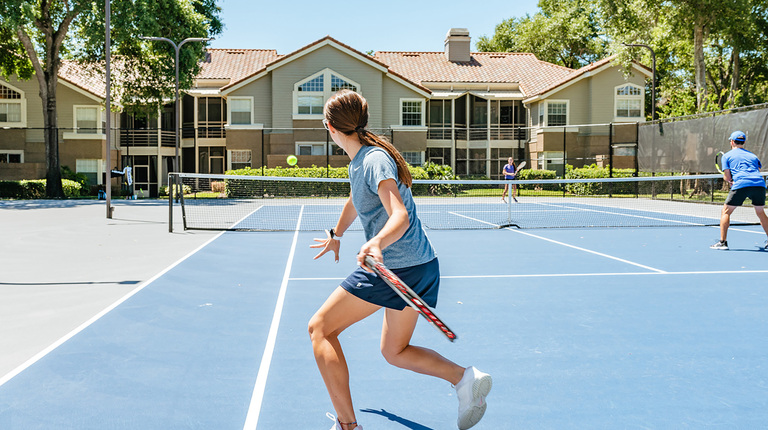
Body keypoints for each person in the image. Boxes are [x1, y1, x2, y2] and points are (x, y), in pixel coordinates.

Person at [309, 89, 492, 430]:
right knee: (394, 351)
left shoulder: (374, 159)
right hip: (418, 266)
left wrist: (376, 242)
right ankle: (465, 379)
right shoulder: (361, 161)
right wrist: (337, 235)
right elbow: (356, 199)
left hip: (397, 267)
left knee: (319, 328)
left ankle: (348, 427)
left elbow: (400, 215)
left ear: (330, 128)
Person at [710, 130, 768, 250]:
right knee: (760, 212)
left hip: (741, 184)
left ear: (732, 142)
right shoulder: (753, 156)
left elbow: (727, 177)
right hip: (759, 184)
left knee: (725, 211)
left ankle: (722, 242)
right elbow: (756, 170)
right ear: (744, 142)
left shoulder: (726, 156)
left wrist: (730, 181)